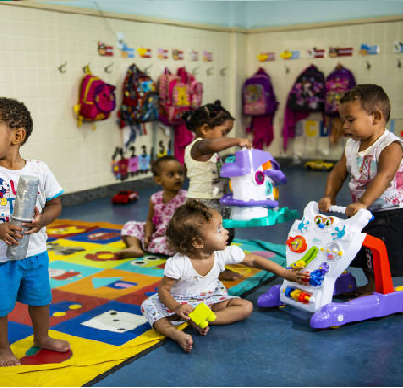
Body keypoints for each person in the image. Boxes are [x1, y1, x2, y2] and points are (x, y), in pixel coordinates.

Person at [0, 97, 70, 367]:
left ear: (17, 135)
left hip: (35, 253)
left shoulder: (39, 170)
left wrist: (42, 221)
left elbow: (55, 204)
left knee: (40, 299)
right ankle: (2, 347)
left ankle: (41, 337)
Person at [140, 201, 306, 353]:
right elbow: (164, 290)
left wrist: (285, 273)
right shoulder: (178, 263)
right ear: (198, 242)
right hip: (182, 304)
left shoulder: (222, 254)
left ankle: (204, 320)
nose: (226, 232)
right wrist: (176, 307)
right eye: (219, 229)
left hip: (211, 300)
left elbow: (254, 260)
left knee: (246, 307)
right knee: (150, 307)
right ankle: (175, 334)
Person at [318, 84, 403, 297]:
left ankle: (377, 287)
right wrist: (329, 196)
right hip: (364, 211)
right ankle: (371, 284)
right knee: (363, 249)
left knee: (381, 252)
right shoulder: (352, 145)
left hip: (390, 212)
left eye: (350, 120)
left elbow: (385, 176)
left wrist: (363, 203)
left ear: (376, 117)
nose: (345, 126)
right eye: (343, 120)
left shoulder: (391, 145)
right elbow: (338, 173)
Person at [183, 100, 252, 280]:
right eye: (224, 133)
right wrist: (237, 141)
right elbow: (212, 145)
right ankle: (214, 268)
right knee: (210, 237)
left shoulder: (209, 151)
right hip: (202, 202)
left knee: (226, 233)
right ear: (205, 129)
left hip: (218, 200)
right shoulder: (199, 146)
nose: (226, 137)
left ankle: (219, 261)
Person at [118, 155, 187, 258]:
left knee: (175, 243)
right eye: (171, 174)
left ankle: (152, 246)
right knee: (131, 225)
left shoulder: (186, 197)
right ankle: (135, 247)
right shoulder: (155, 198)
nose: (178, 177)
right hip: (157, 232)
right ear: (158, 180)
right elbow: (150, 220)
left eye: (180, 173)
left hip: (174, 235)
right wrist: (147, 235)